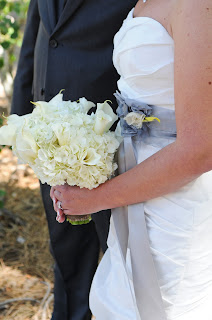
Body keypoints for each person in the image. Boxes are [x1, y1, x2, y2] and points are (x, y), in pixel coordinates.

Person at [51, 0, 212, 319]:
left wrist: (95, 199)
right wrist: (81, 163)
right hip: (134, 188)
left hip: (175, 201)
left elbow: (200, 150)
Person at [10, 0, 137, 319]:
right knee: (65, 252)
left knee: (122, 259)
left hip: (110, 139)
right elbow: (37, 36)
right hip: (48, 142)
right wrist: (20, 121)